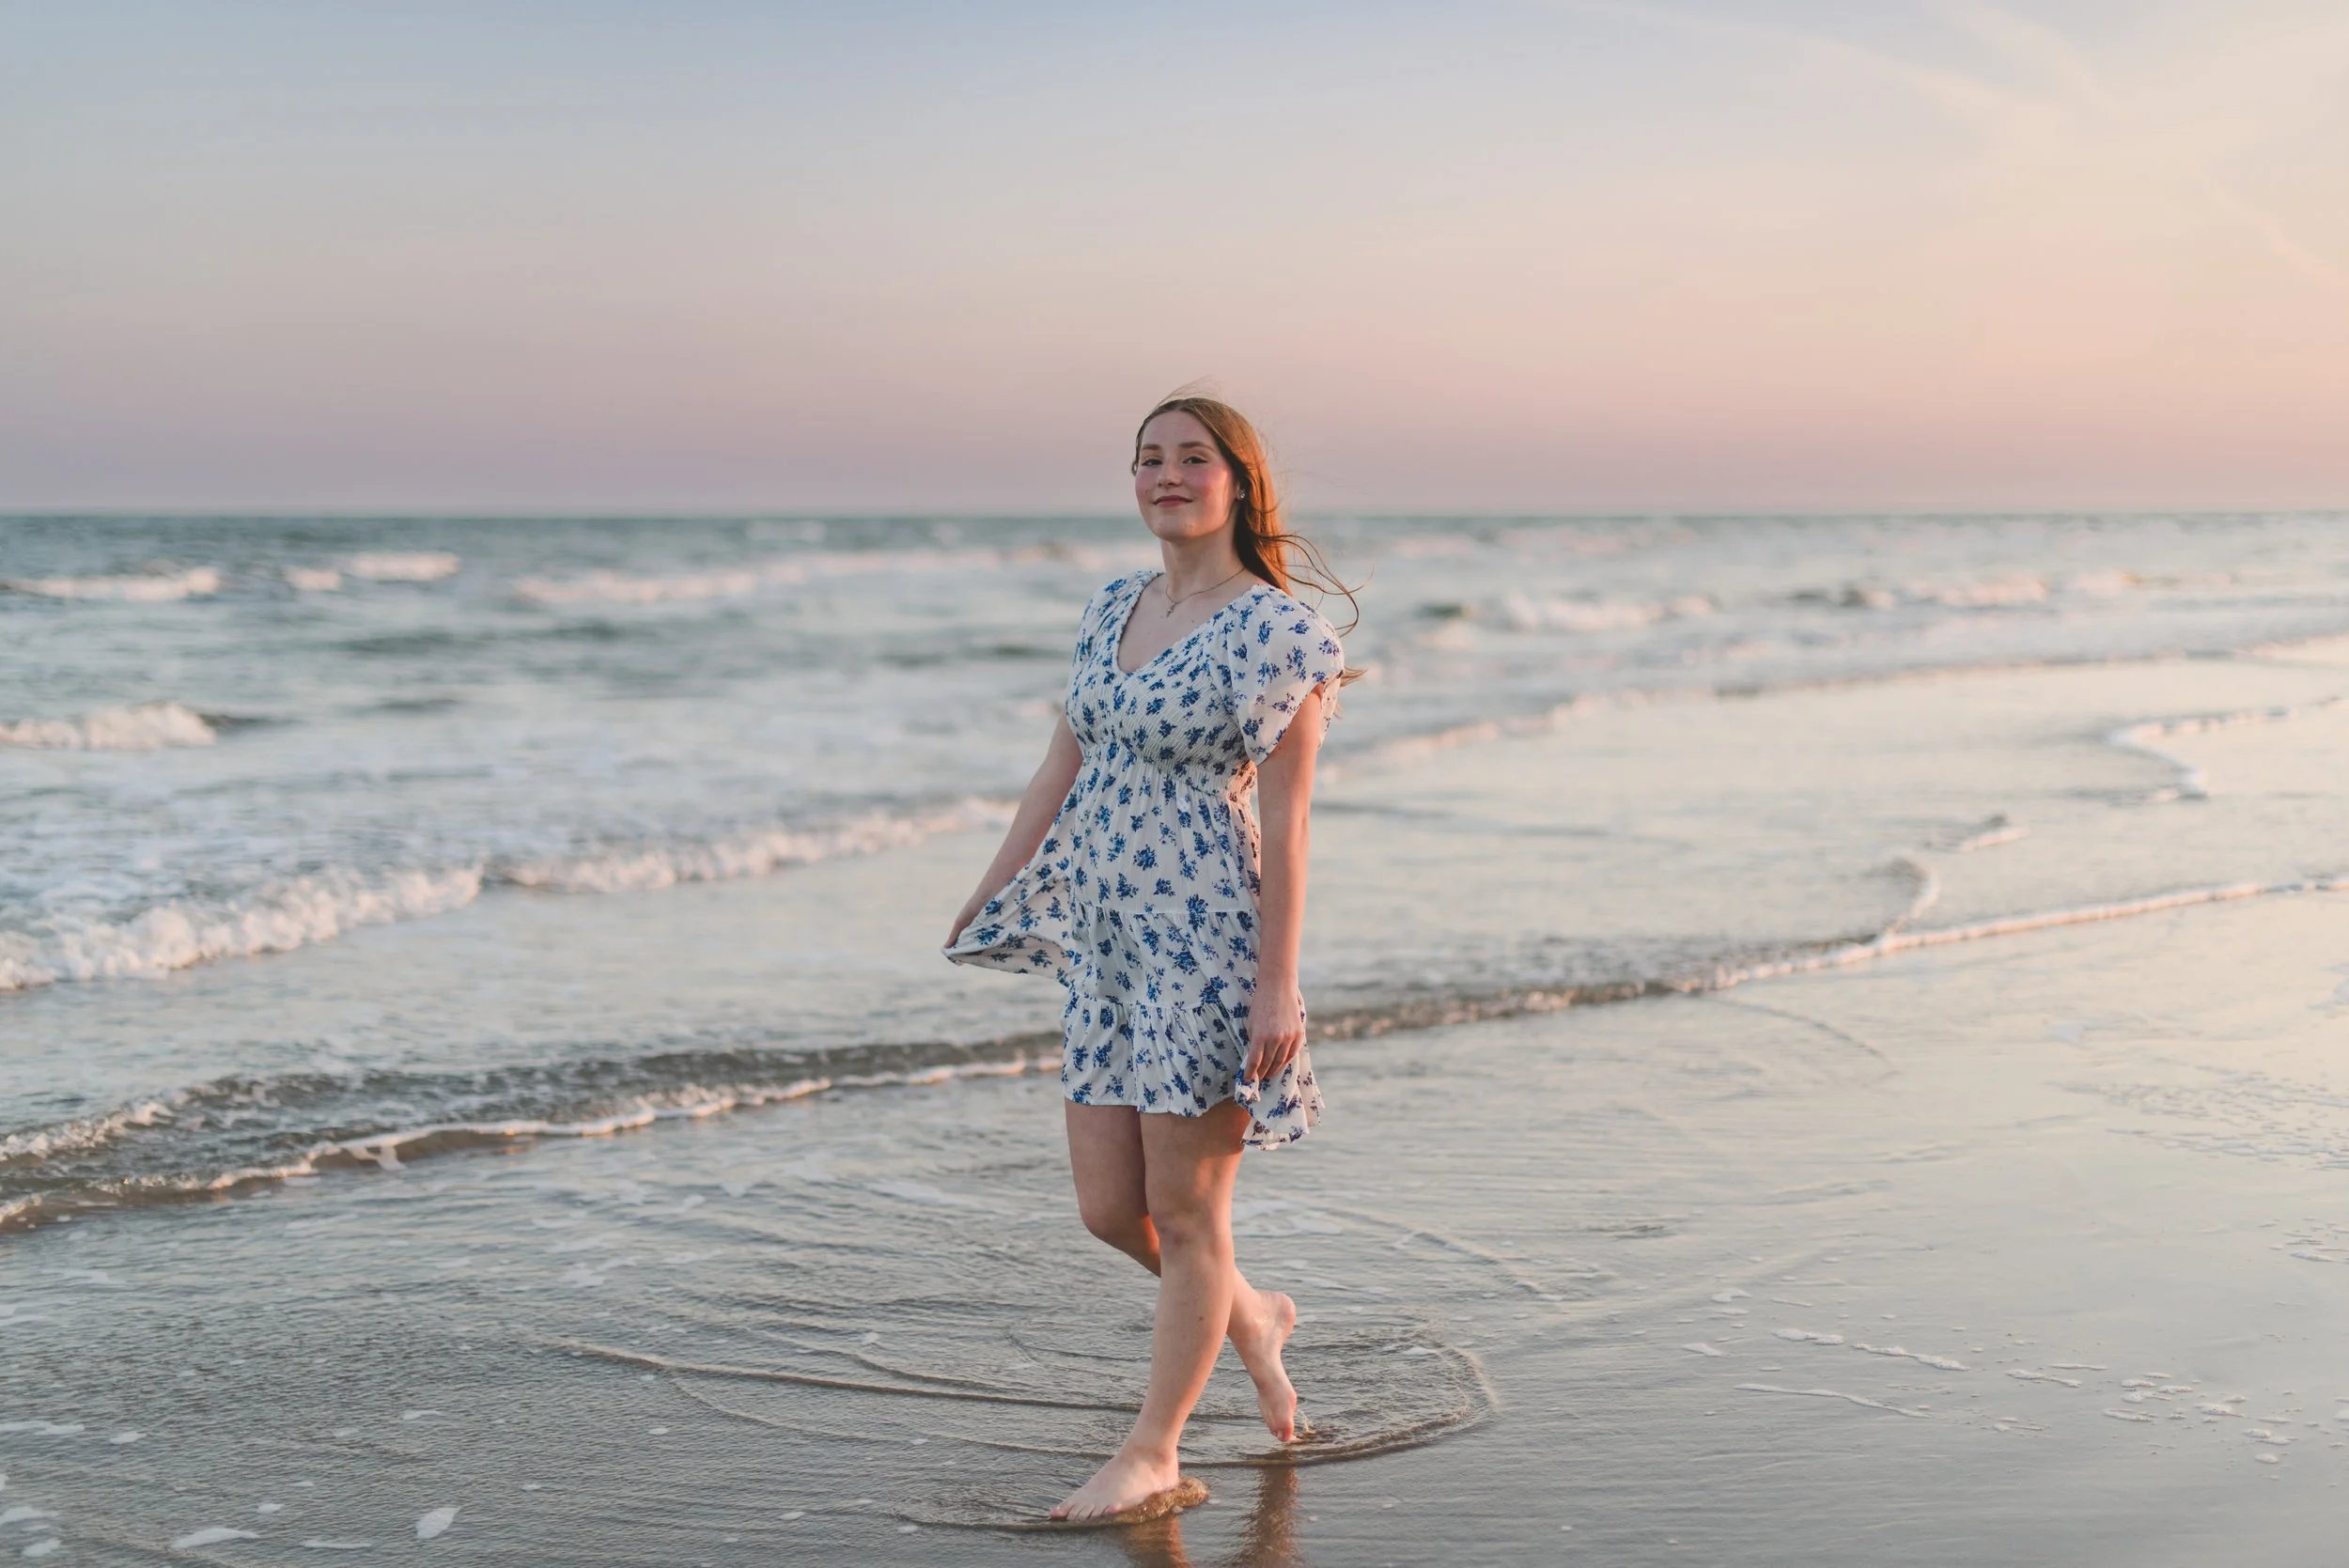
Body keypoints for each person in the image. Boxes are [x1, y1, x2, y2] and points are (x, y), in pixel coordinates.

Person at [943, 395, 1352, 1523]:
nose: (1165, 475)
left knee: (1187, 1213)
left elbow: (1294, 819)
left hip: (1208, 940)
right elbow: (1057, 764)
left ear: (1238, 480)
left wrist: (1279, 982)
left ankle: (1153, 1450)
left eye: (1190, 458)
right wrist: (993, 882)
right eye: (1146, 459)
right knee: (1107, 1205)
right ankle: (1253, 1316)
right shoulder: (1111, 605)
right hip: (1109, 946)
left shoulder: (1276, 630)